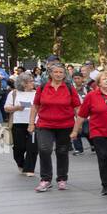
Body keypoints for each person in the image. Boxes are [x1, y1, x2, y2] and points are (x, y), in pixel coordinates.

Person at [28, 62, 81, 191]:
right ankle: (46, 179)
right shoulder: (42, 87)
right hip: (45, 124)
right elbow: (35, 106)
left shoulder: (69, 88)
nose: (58, 74)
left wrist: (78, 126)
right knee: (44, 149)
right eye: (55, 72)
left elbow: (77, 107)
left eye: (61, 72)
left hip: (65, 125)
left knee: (62, 151)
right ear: (50, 74)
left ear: (64, 75)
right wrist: (31, 123)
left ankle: (62, 178)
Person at [3, 72, 38, 176]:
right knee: (19, 147)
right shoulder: (14, 93)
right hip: (18, 123)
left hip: (34, 123)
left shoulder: (37, 93)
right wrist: (17, 108)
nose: (33, 83)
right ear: (23, 83)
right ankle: (21, 164)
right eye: (30, 81)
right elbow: (6, 108)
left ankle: (29, 169)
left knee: (33, 146)